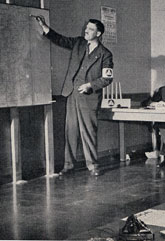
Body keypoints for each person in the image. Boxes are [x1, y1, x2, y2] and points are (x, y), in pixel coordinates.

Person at [35, 17, 113, 176]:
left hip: (89, 97)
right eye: (86, 28)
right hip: (71, 93)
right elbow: (61, 40)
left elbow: (107, 78)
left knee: (88, 132)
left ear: (98, 33)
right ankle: (69, 165)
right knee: (70, 130)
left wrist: (90, 85)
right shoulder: (79, 43)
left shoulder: (105, 54)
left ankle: (92, 165)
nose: (86, 30)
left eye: (90, 29)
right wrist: (45, 27)